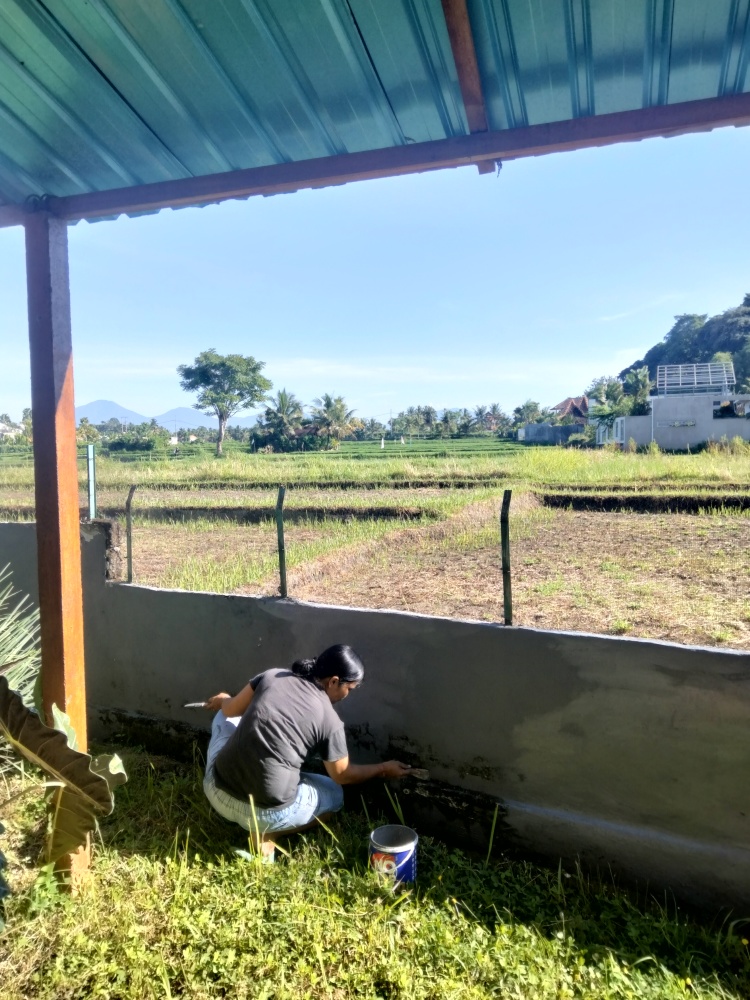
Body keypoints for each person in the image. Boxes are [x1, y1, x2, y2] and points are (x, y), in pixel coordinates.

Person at [202, 644, 411, 858]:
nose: (348, 695)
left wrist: (223, 700)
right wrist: (383, 768)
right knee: (335, 795)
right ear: (334, 681)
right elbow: (342, 775)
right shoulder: (330, 720)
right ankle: (268, 835)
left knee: (223, 717)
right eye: (349, 689)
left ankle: (257, 823)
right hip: (265, 815)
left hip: (217, 791)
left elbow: (230, 709)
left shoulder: (272, 676)